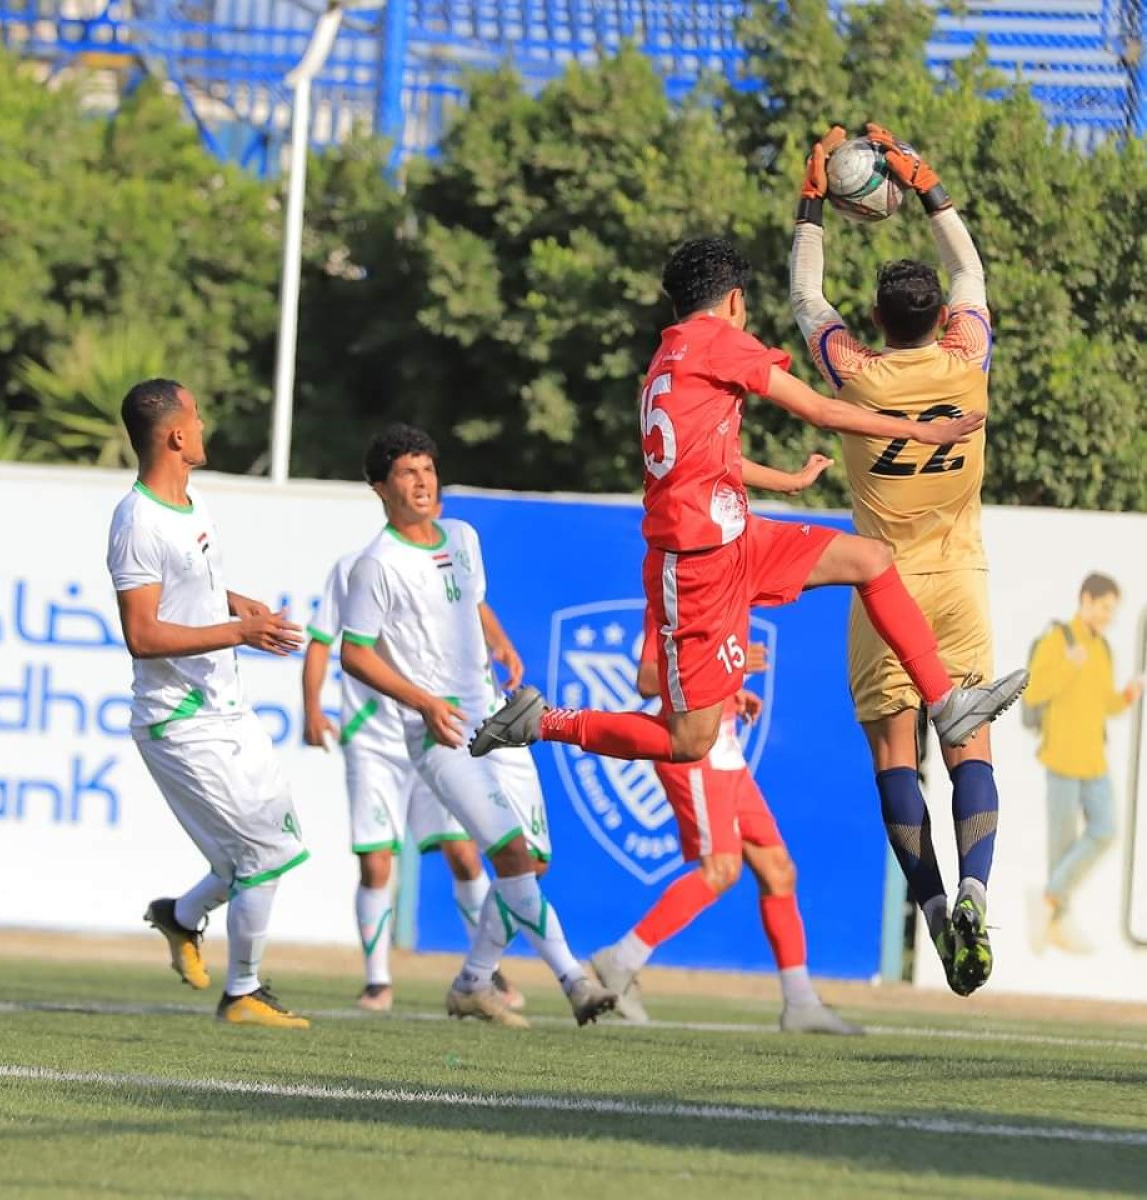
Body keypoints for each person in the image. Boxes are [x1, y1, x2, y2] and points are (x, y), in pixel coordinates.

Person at [471, 229, 1027, 795]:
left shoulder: (668, 355)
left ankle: (945, 701)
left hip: (736, 539)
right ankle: (541, 721)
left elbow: (708, 455)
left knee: (870, 558)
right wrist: (919, 430)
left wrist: (785, 481)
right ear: (734, 300)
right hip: (696, 569)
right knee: (689, 741)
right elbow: (819, 410)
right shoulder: (718, 341)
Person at [784, 122, 1022, 995]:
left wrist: (813, 197)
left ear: (878, 319)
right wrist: (926, 185)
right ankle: (972, 888)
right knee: (971, 749)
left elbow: (805, 294)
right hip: (960, 581)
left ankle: (928, 911)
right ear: (939, 318)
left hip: (882, 589)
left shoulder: (856, 373)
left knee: (895, 759)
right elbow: (971, 271)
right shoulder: (968, 360)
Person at [339, 423, 615, 1028]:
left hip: (501, 719)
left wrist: (501, 642)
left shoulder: (462, 536)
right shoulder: (374, 566)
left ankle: (471, 982)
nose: (422, 482)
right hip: (442, 735)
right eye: (407, 473)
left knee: (535, 862)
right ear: (379, 487)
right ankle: (574, 980)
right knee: (512, 856)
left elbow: (472, 599)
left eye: (428, 470)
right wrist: (423, 703)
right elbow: (354, 653)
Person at [106, 379, 309, 1028]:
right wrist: (240, 632)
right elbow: (142, 635)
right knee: (263, 858)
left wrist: (233, 602)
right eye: (195, 415)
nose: (202, 423)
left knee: (275, 845)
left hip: (226, 706)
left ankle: (181, 915)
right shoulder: (136, 521)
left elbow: (187, 592)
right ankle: (241, 993)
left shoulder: (191, 506)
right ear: (174, 435)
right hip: (178, 721)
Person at [593, 592, 863, 1035]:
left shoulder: (729, 594)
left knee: (779, 871)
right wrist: (731, 672)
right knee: (721, 869)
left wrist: (734, 693)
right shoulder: (674, 595)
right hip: (694, 750)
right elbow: (646, 679)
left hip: (726, 748)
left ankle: (799, 1003)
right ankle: (620, 961)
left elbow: (707, 669)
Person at [303, 542, 530, 1011]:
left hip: (435, 728)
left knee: (465, 855)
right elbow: (324, 642)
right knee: (376, 862)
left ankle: (485, 972)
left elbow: (473, 604)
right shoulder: (354, 565)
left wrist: (499, 641)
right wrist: (311, 709)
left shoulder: (442, 558)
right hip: (375, 738)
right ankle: (377, 981)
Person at [1025, 573, 1143, 953]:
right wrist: (1068, 665)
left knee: (1106, 830)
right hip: (1061, 757)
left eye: (1113, 609)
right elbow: (1034, 691)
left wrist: (1125, 696)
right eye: (1105, 607)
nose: (1109, 615)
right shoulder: (1059, 640)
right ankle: (1057, 921)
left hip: (1093, 759)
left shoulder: (1103, 648)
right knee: (1062, 845)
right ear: (1086, 600)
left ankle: (1046, 901)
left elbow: (1101, 702)